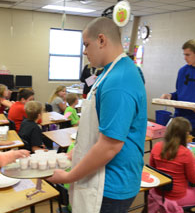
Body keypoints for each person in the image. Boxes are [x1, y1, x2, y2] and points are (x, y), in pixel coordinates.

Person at [47, 17, 147, 213]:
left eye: (86, 45)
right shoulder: (108, 73)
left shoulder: (118, 81)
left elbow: (110, 146)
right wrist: (72, 155)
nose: (84, 52)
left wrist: (69, 176)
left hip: (111, 183)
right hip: (103, 175)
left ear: (101, 40)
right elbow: (96, 127)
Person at [149, 117, 195, 211]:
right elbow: (194, 179)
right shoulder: (186, 153)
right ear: (186, 135)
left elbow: (152, 170)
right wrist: (193, 161)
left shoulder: (157, 146)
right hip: (176, 196)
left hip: (158, 191)